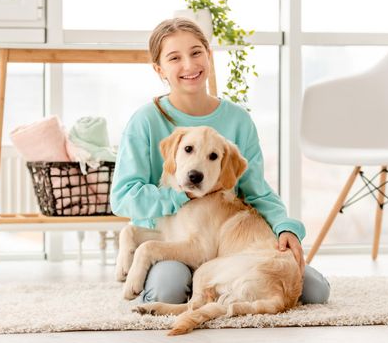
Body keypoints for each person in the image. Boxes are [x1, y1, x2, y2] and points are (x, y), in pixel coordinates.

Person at [111, 17, 330, 305]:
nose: (189, 65)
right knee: (169, 291)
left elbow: (256, 191)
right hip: (171, 240)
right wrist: (180, 195)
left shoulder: (237, 120)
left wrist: (285, 227)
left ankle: (216, 288)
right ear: (159, 69)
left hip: (229, 244)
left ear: (209, 55)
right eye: (175, 58)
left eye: (196, 52)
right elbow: (123, 198)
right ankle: (200, 288)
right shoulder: (146, 121)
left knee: (314, 290)